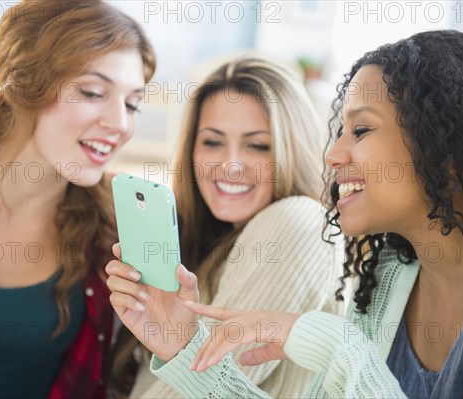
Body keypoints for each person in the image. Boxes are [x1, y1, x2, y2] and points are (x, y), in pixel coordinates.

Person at [105, 30, 463, 398]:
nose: (333, 154)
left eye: (362, 130)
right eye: (339, 131)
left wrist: (337, 345)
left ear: (447, 147)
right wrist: (183, 347)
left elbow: (346, 355)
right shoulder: (391, 273)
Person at [0, 1, 155, 398]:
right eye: (93, 92)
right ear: (27, 84)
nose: (121, 124)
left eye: (132, 103)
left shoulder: (113, 229)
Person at [108, 57, 343, 398]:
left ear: (292, 149)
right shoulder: (208, 241)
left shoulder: (298, 221)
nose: (230, 166)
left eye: (257, 145)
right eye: (213, 142)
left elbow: (207, 384)